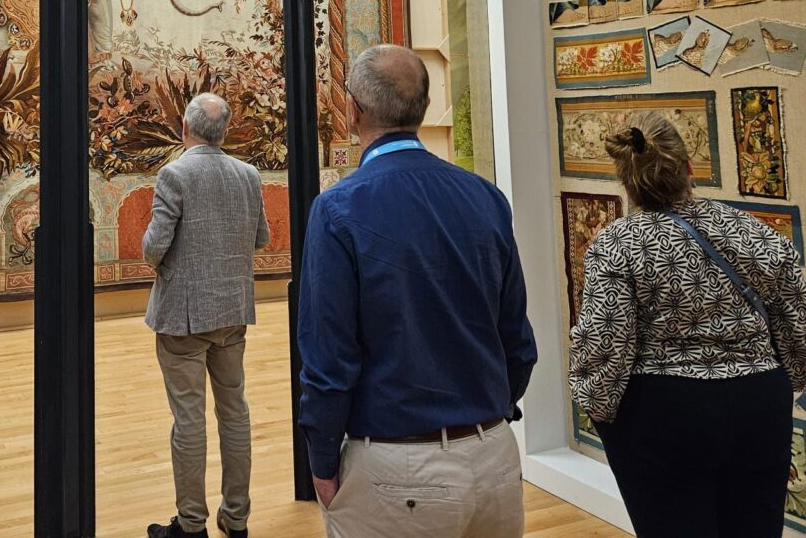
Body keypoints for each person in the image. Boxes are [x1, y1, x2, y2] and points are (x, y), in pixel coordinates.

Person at [298, 45, 536, 538]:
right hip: (494, 454)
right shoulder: (485, 197)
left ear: (354, 110)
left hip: (398, 467)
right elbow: (517, 339)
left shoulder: (339, 209)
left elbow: (328, 358)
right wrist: (484, 416)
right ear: (424, 108)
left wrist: (321, 460)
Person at [569, 111, 806, 538]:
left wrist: (600, 410)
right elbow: (797, 327)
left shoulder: (618, 243)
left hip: (662, 412)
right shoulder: (755, 232)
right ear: (689, 169)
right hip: (759, 403)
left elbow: (606, 347)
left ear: (625, 180)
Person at [143, 93, 270, 538]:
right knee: (235, 414)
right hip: (233, 314)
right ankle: (236, 519)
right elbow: (261, 238)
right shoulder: (249, 174)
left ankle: (191, 524)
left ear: (185, 128)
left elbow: (152, 248)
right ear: (226, 131)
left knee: (189, 420)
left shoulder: (174, 174)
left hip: (184, 317)